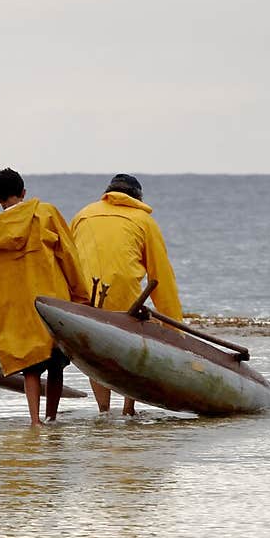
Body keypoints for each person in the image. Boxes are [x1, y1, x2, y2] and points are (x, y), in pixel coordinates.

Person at [0, 168, 90, 426]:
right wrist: (81, 295)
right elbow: (68, 255)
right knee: (56, 363)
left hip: (15, 309)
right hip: (49, 302)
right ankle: (51, 417)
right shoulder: (46, 214)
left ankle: (35, 421)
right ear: (23, 192)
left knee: (30, 367)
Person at [70, 173, 183, 416]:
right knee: (129, 355)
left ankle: (103, 412)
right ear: (137, 197)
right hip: (125, 302)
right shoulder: (144, 221)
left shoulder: (83, 215)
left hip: (85, 300)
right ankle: (128, 409)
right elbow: (161, 276)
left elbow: (68, 259)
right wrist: (176, 329)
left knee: (95, 356)